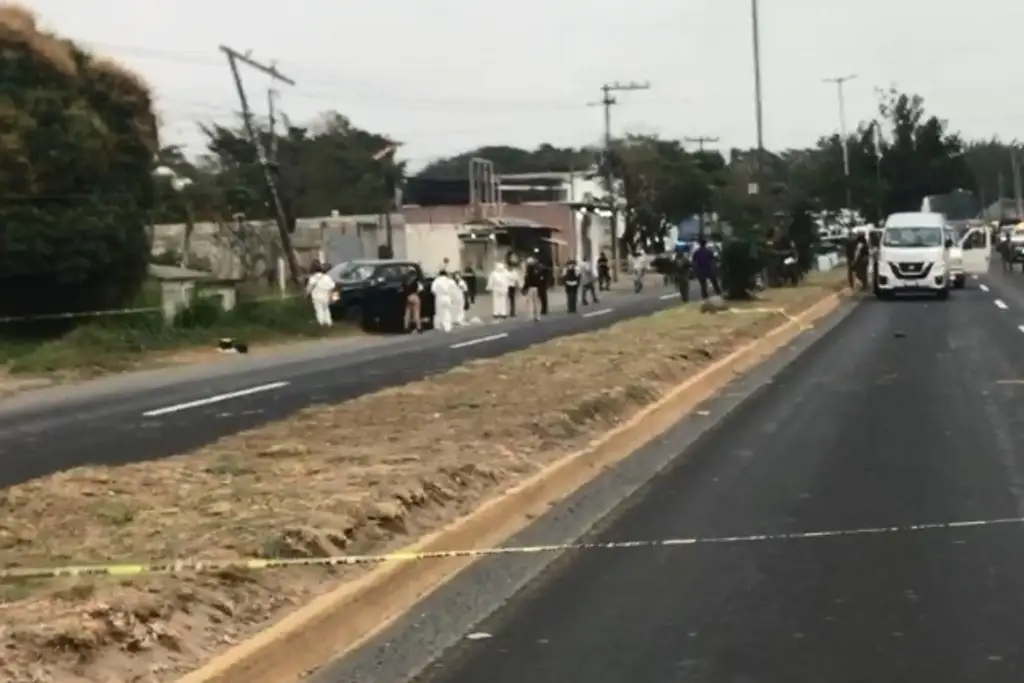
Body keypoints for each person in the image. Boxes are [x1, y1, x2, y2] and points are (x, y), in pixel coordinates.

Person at [305, 262, 335, 327]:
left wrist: (306, 294)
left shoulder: (313, 278)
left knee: (319, 310)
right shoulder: (327, 277)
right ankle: (329, 323)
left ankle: (321, 324)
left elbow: (309, 288)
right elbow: (332, 286)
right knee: (326, 310)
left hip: (316, 297)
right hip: (326, 296)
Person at [522, 256, 544, 321]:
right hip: (536, 288)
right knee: (536, 303)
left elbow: (527, 282)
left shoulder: (528, 273)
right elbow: (539, 281)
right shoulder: (536, 271)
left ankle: (531, 316)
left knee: (530, 303)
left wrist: (524, 289)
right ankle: (537, 316)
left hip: (530, 288)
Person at [402, 269, 423, 333]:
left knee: (407, 313)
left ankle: (406, 327)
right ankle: (419, 327)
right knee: (416, 313)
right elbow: (420, 289)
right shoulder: (416, 282)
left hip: (408, 297)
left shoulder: (405, 282)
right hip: (415, 296)